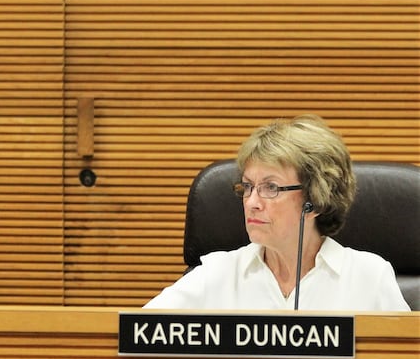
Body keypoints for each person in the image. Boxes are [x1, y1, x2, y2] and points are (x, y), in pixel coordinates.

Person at [144, 114, 409, 311]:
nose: (252, 202)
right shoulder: (217, 274)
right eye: (247, 187)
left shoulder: (368, 277)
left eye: (270, 187)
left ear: (315, 198)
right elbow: (135, 335)